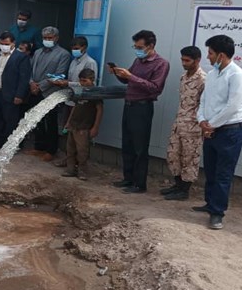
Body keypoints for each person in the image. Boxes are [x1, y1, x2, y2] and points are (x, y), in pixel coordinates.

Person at [195, 35, 242, 230]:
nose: (207, 57)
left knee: (223, 174)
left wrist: (211, 125)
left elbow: (232, 106)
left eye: (210, 53)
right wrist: (202, 120)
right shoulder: (212, 74)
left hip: (230, 131)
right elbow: (204, 100)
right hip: (211, 129)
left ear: (221, 55)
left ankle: (217, 213)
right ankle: (210, 204)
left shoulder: (238, 76)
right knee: (210, 170)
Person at [109, 30, 170, 194]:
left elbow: (155, 88)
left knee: (140, 147)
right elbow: (128, 79)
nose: (137, 49)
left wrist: (131, 77)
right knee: (127, 144)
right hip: (129, 105)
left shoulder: (161, 64)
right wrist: (117, 72)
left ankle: (139, 184)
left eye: (140, 47)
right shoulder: (138, 60)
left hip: (142, 107)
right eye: (135, 46)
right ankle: (128, 178)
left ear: (150, 46)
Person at [161, 46, 207, 201]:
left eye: (187, 60)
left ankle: (184, 190)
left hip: (193, 126)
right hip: (179, 122)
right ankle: (177, 184)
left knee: (189, 158)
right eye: (182, 60)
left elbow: (205, 105)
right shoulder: (184, 77)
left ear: (197, 60)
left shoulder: (203, 79)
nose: (184, 63)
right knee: (173, 155)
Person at [50, 36, 98, 167]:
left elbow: (88, 84)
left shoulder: (90, 62)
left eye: (77, 48)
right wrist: (61, 81)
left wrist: (68, 83)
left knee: (80, 136)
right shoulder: (73, 61)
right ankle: (69, 159)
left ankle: (79, 163)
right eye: (73, 48)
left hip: (82, 104)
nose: (74, 51)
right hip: (71, 101)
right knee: (69, 132)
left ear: (84, 48)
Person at [27, 26, 71, 162]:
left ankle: (51, 150)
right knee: (36, 120)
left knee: (50, 122)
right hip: (34, 90)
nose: (47, 40)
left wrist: (40, 86)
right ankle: (39, 146)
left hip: (50, 92)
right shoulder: (38, 52)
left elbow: (59, 74)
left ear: (56, 38)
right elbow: (30, 69)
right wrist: (31, 83)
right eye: (45, 38)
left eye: (50, 38)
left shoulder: (63, 54)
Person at [0, 31, 31, 153]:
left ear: (13, 43)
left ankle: (10, 146)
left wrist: (19, 95)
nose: (4, 46)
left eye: (6, 43)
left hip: (12, 95)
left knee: (11, 121)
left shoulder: (21, 57)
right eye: (1, 43)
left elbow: (24, 78)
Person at [61, 68, 103, 181]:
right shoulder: (79, 91)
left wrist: (95, 127)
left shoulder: (95, 93)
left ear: (92, 80)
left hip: (84, 127)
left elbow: (99, 110)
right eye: (81, 81)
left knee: (82, 151)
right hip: (74, 125)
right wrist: (68, 122)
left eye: (85, 81)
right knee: (70, 149)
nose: (82, 83)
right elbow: (75, 107)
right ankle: (70, 169)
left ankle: (82, 171)